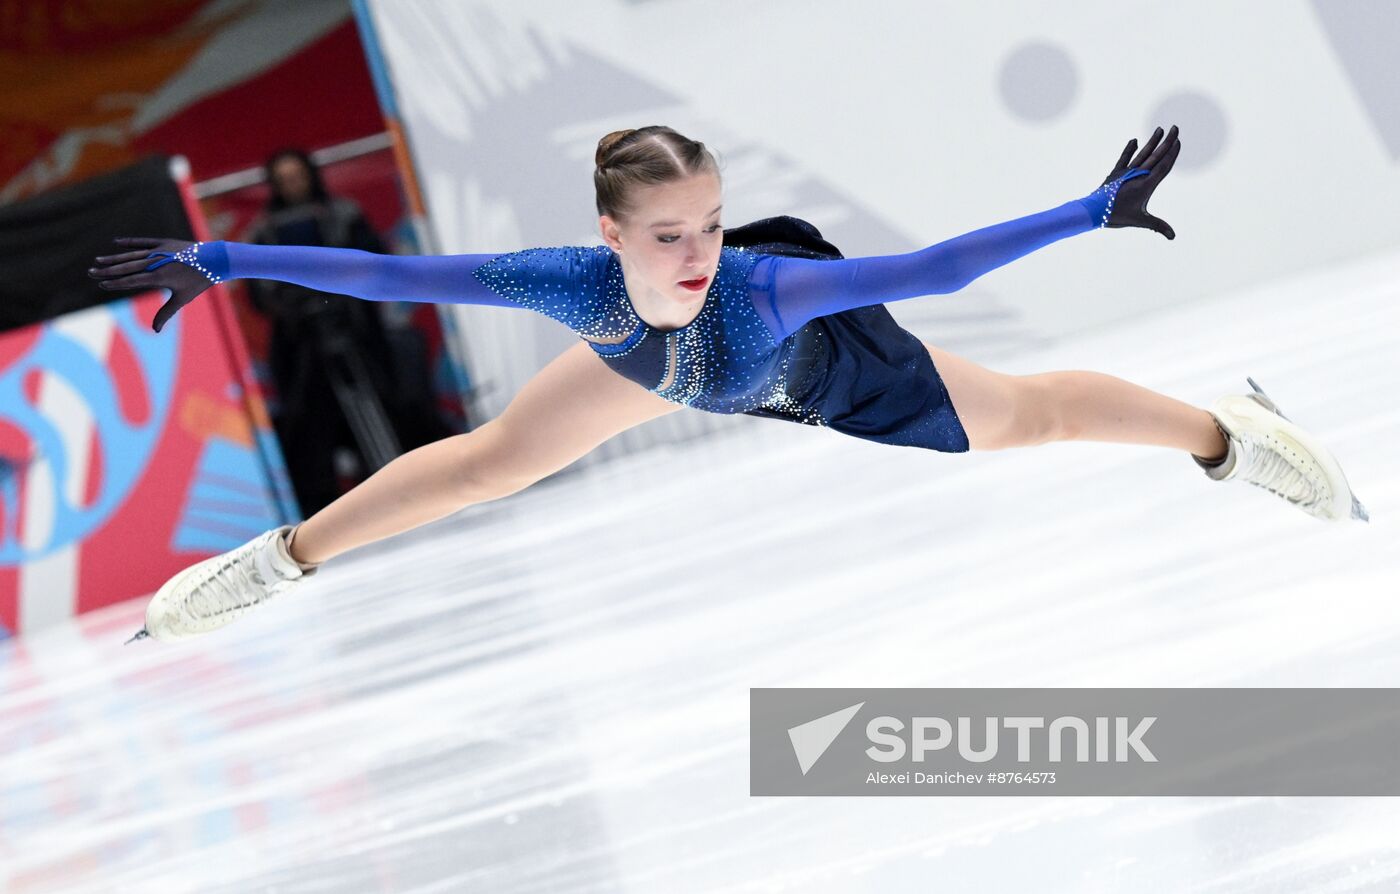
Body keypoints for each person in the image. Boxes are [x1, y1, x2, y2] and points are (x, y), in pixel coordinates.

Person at [89, 125, 1367, 645]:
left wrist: (1084, 213)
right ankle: (274, 564)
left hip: (816, 374)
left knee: (1031, 414)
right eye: (666, 237)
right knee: (489, 463)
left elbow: (926, 267)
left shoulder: (757, 286)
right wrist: (224, 251)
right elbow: (398, 280)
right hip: (659, 372)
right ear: (607, 236)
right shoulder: (567, 283)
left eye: (707, 223)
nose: (698, 250)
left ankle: (1228, 436)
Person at [247, 148, 453, 515]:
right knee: (310, 428)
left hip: (358, 332)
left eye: (297, 176)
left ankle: (412, 485)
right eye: (284, 179)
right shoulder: (262, 232)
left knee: (388, 404)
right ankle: (326, 506)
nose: (293, 185)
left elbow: (375, 262)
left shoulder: (344, 213)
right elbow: (259, 292)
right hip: (301, 346)